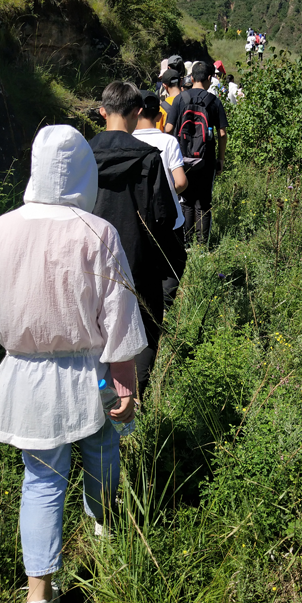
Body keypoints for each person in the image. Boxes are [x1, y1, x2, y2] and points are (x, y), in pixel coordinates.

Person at [0, 125, 147, 603]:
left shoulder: (0, 229)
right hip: (89, 371)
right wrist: (126, 381)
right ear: (85, 170)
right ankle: (104, 525)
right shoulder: (96, 232)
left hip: (26, 376)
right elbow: (119, 315)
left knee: (40, 482)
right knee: (104, 448)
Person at [90, 81, 178, 399]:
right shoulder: (149, 159)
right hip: (136, 264)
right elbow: (164, 218)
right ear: (138, 111)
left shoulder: (84, 155)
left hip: (89, 262)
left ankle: (97, 401)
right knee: (139, 333)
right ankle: (131, 406)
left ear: (102, 111)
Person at [165, 61, 228, 246]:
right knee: (204, 203)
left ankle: (186, 243)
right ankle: (202, 246)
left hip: (182, 158)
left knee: (186, 200)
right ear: (210, 78)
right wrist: (221, 159)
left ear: (191, 78)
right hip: (206, 159)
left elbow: (168, 129)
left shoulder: (179, 99)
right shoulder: (214, 101)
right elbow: (222, 134)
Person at [135, 90, 188, 307]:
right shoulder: (168, 142)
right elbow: (181, 182)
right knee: (173, 264)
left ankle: (143, 307)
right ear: (159, 116)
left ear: (135, 113)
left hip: (138, 219)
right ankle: (164, 306)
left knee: (144, 266)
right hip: (170, 218)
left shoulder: (128, 141)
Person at [156, 68, 182, 132]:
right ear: (181, 82)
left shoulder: (162, 109)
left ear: (164, 85)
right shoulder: (189, 100)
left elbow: (159, 132)